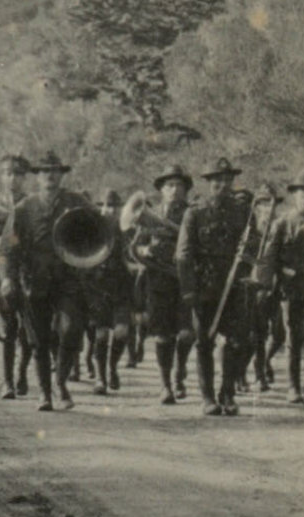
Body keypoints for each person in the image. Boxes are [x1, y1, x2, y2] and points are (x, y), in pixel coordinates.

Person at [1, 150, 89, 411]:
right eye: (44, 171)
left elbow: (98, 229)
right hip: (35, 280)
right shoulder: (24, 208)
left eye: (55, 171)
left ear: (61, 175)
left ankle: (60, 380)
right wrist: (7, 278)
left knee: (71, 330)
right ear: (37, 177)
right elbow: (8, 247)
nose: (50, 175)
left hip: (68, 278)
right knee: (38, 339)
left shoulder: (77, 202)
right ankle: (45, 392)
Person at [176, 157, 252, 416]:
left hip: (233, 285)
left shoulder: (243, 211)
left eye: (227, 180)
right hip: (205, 285)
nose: (223, 185)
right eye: (217, 180)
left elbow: (254, 245)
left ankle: (227, 393)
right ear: (209, 183)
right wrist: (189, 289)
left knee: (235, 341)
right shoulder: (194, 213)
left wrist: (246, 261)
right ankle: (207, 397)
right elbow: (183, 254)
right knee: (204, 341)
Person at [126, 165, 193, 405]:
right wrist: (145, 250)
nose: (174, 190)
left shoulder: (192, 214)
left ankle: (180, 368)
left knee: (186, 333)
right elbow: (136, 246)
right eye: (169, 186)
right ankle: (166, 384)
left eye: (179, 185)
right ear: (162, 190)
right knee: (163, 335)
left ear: (186, 190)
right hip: (159, 281)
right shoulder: (151, 215)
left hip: (185, 281)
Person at [265, 171, 304, 403]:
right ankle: (293, 386)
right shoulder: (282, 223)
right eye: (301, 192)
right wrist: (276, 279)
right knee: (293, 337)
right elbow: (271, 257)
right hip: (291, 288)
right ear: (294, 195)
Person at [0, 153, 33, 400]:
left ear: (25, 178)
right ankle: (6, 382)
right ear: (2, 176)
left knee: (27, 328)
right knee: (6, 328)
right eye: (7, 173)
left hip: (28, 272)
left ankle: (21, 372)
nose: (12, 179)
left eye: (18, 174)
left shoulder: (32, 203)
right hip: (1, 270)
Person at [83, 188, 134, 395]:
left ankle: (112, 366)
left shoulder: (127, 230)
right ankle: (101, 377)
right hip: (97, 287)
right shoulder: (92, 229)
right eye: (106, 206)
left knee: (122, 332)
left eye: (114, 206)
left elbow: (133, 255)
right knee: (101, 334)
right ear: (99, 208)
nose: (110, 210)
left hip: (121, 286)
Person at [241, 182, 280, 392]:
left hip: (273, 286)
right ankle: (249, 374)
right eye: (263, 204)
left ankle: (263, 366)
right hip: (250, 287)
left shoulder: (279, 228)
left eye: (272, 204)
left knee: (275, 334)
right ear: (256, 207)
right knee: (253, 334)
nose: (268, 209)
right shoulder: (249, 229)